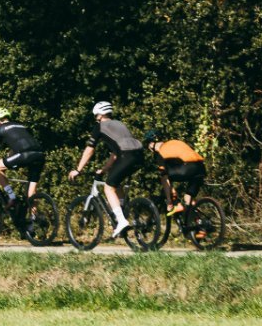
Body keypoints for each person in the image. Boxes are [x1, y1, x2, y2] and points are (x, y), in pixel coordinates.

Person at [69, 101, 142, 238]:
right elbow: (115, 153)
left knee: (108, 188)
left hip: (126, 156)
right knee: (116, 184)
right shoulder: (120, 124)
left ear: (98, 115)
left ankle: (121, 221)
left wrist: (78, 170)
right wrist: (104, 169)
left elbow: (89, 150)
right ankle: (122, 212)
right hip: (139, 155)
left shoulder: (100, 127)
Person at [0, 108, 45, 201]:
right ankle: (34, 215)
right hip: (40, 155)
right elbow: (18, 147)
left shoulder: (0, 128)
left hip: (24, 154)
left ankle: (12, 197)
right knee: (31, 194)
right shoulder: (21, 126)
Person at [144, 130, 206, 212]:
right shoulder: (174, 142)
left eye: (147, 144)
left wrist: (169, 200)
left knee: (164, 176)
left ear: (151, 144)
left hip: (187, 168)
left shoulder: (160, 152)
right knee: (188, 198)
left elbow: (164, 176)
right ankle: (199, 220)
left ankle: (176, 203)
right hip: (201, 168)